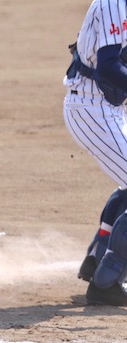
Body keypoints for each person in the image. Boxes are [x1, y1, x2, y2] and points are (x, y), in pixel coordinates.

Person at [63, 0, 127, 305]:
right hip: (91, 109)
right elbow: (110, 67)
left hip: (110, 110)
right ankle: (106, 284)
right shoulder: (115, 3)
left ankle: (97, 259)